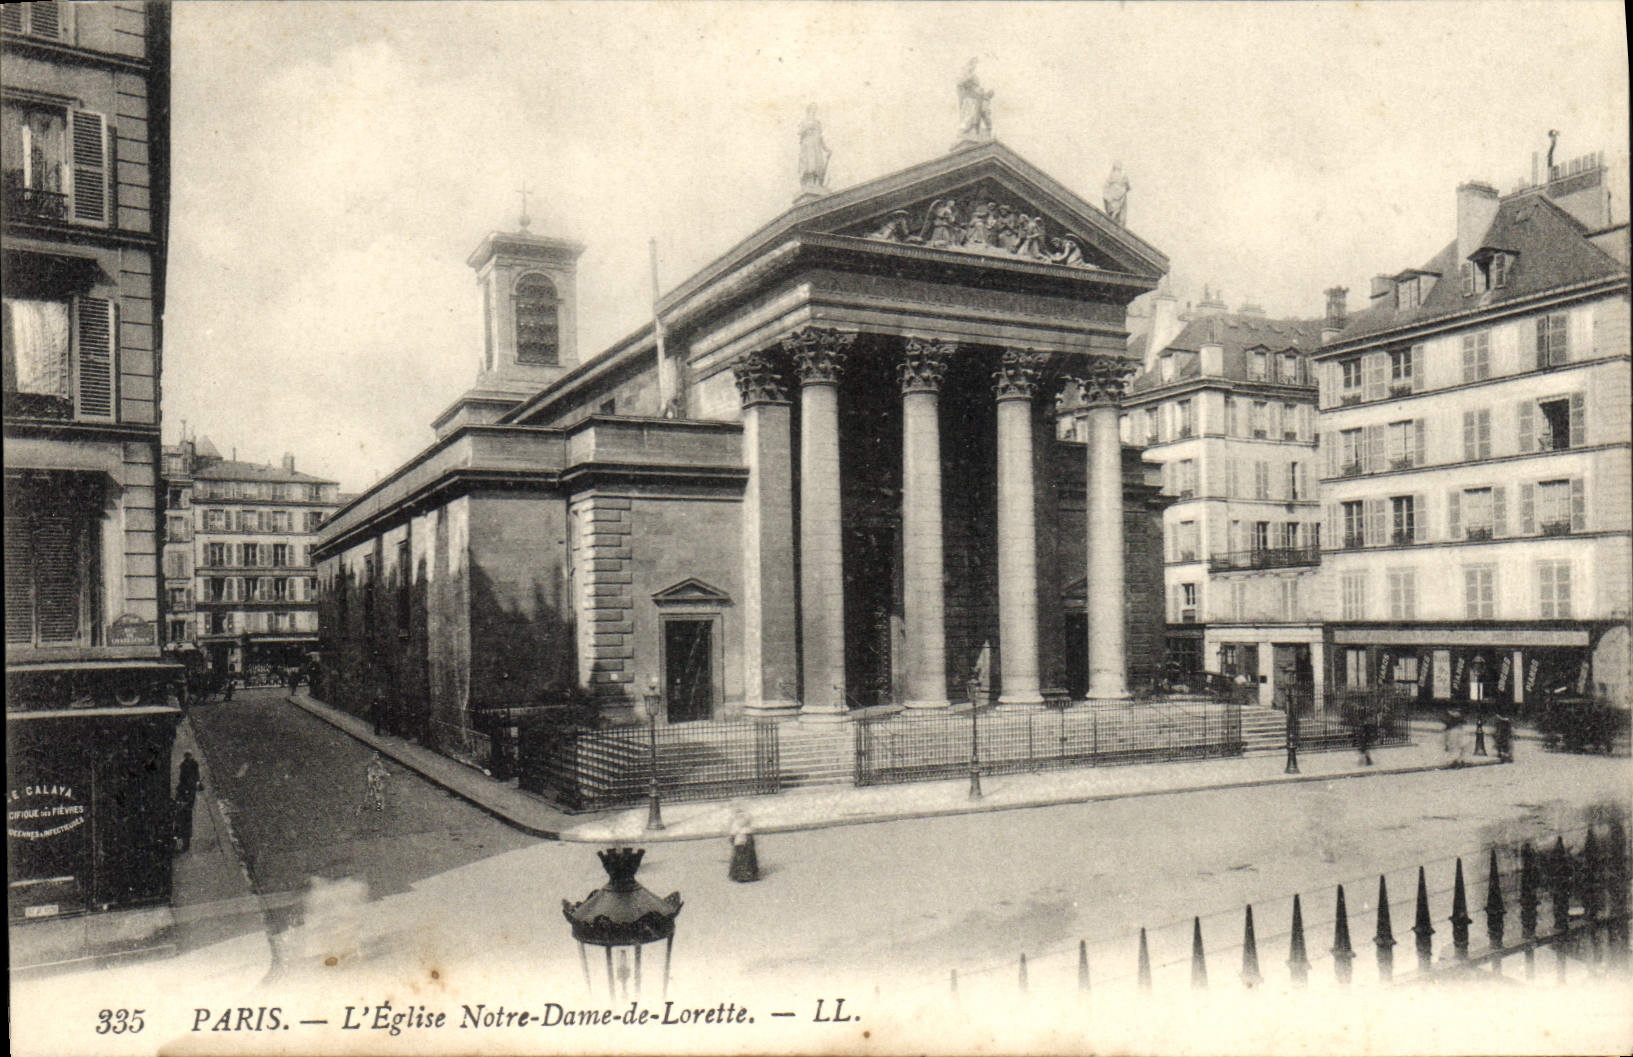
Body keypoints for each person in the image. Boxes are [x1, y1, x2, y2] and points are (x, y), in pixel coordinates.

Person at [174, 752, 202, 852]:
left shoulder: (193, 764)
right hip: (187, 792)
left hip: (188, 793)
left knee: (184, 824)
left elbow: (195, 775)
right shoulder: (185, 765)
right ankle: (183, 843)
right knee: (183, 824)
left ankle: (184, 844)